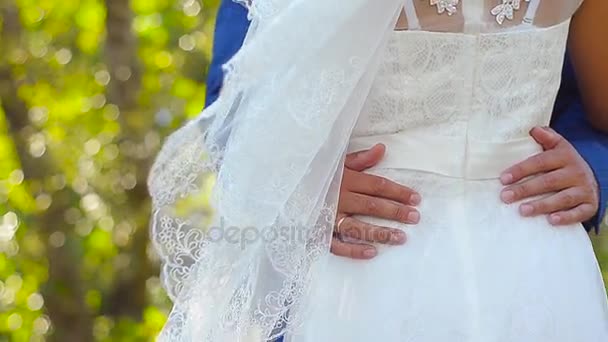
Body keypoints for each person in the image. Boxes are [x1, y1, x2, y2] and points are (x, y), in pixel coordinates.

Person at [148, 0, 608, 340]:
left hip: (534, 250)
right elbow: (238, 104)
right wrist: (305, 184)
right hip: (362, 254)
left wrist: (593, 168)